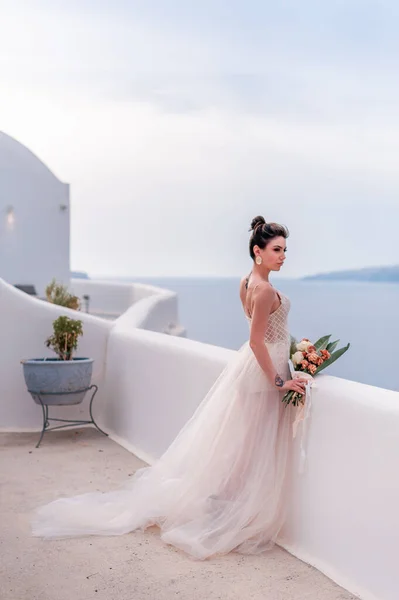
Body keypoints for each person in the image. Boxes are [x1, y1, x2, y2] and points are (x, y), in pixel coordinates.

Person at [32, 215, 308, 560]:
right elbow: (257, 341)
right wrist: (281, 381)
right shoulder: (264, 289)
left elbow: (261, 333)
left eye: (285, 250)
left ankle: (225, 509)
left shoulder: (246, 282)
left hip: (251, 373)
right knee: (251, 449)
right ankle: (231, 515)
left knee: (242, 445)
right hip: (263, 376)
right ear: (258, 251)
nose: (283, 255)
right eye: (277, 249)